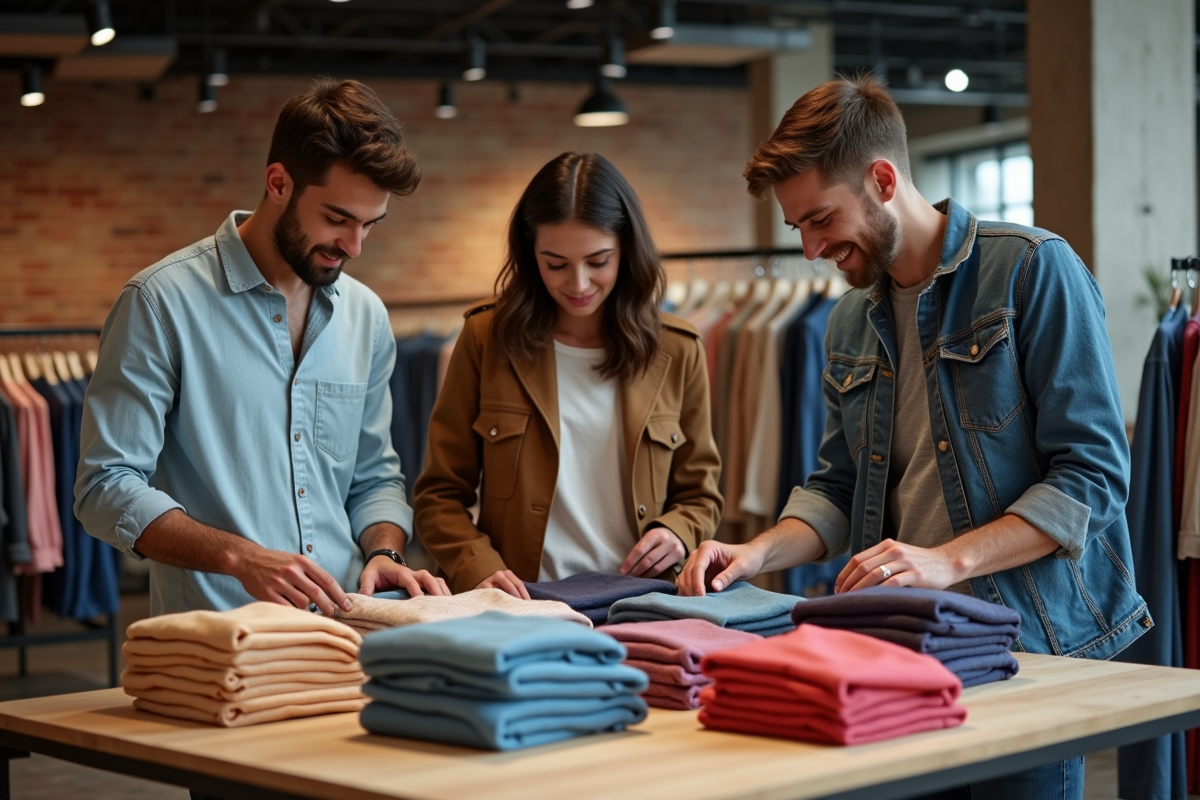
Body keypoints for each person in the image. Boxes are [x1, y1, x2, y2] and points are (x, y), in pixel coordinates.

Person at [677, 75, 1148, 799]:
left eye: (820, 219)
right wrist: (755, 552)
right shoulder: (846, 323)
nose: (809, 248)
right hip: (900, 660)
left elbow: (1093, 476)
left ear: (884, 178)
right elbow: (837, 487)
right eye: (798, 227)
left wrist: (944, 562)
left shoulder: (1030, 270)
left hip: (1023, 653)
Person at [75, 78, 449, 619]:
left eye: (370, 224)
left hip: (347, 638)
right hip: (214, 649)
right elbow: (105, 487)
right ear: (278, 183)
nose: (355, 246)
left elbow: (374, 476)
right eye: (337, 219)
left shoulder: (366, 316)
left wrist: (384, 548)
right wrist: (240, 558)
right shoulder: (160, 304)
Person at [414, 151, 723, 598]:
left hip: (643, 602)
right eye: (555, 264)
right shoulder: (486, 339)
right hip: (522, 601)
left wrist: (678, 531)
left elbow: (701, 495)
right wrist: (475, 566)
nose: (578, 284)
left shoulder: (678, 348)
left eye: (598, 261)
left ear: (627, 250)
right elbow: (438, 494)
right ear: (529, 252)